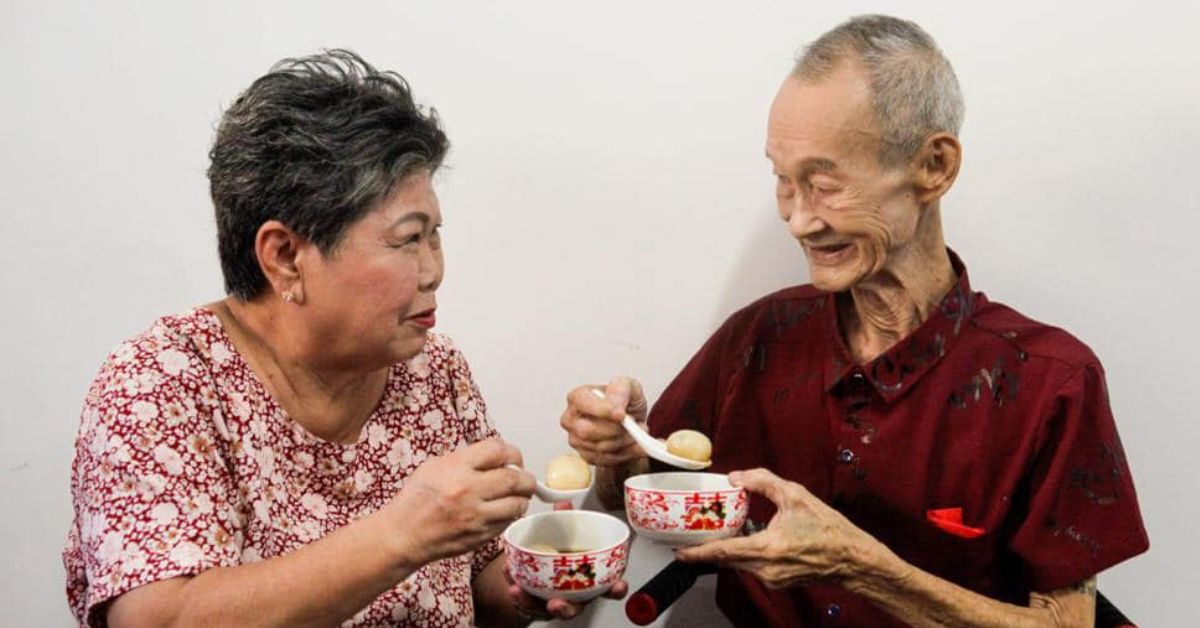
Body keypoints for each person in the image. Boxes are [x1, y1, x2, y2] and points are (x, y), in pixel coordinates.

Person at [560, 15, 1148, 627]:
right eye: (783, 182)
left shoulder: (1048, 381)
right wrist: (617, 449)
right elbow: (634, 501)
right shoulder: (758, 340)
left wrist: (860, 567)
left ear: (935, 167)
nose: (799, 220)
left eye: (823, 183)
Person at [64, 50, 622, 628]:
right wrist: (402, 535)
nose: (434, 270)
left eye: (436, 236)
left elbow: (477, 582)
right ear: (284, 257)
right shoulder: (160, 383)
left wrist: (536, 581)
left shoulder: (434, 371)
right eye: (408, 239)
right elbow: (159, 620)